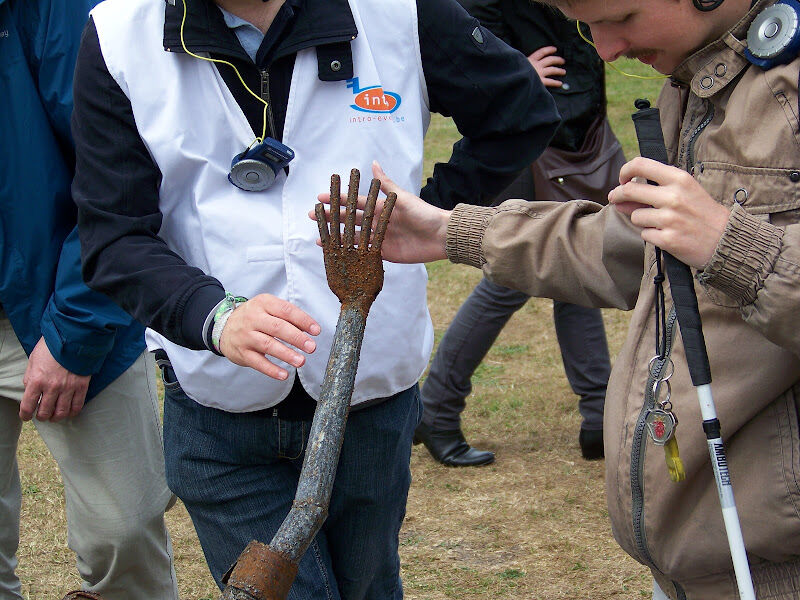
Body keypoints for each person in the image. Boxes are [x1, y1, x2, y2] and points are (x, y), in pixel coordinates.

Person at [70, 0, 560, 596]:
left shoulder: (398, 11)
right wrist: (212, 315)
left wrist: (433, 216)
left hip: (371, 387)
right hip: (218, 407)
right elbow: (113, 237)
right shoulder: (121, 35)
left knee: (369, 585)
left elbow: (519, 111)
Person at [314, 0, 800, 595]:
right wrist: (450, 231)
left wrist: (733, 248)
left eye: (621, 17)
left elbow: (718, 249)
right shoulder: (701, 73)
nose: (605, 50)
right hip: (702, 557)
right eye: (584, 26)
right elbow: (635, 251)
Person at [0, 1, 178, 599]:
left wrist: (75, 330)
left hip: (61, 307)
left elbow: (116, 176)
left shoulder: (57, 11)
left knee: (123, 531)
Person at [415, 0, 624, 466]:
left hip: (580, 130)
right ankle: (437, 410)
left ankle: (599, 417)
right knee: (507, 279)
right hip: (530, 140)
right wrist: (514, 74)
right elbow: (465, 41)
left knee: (579, 263)